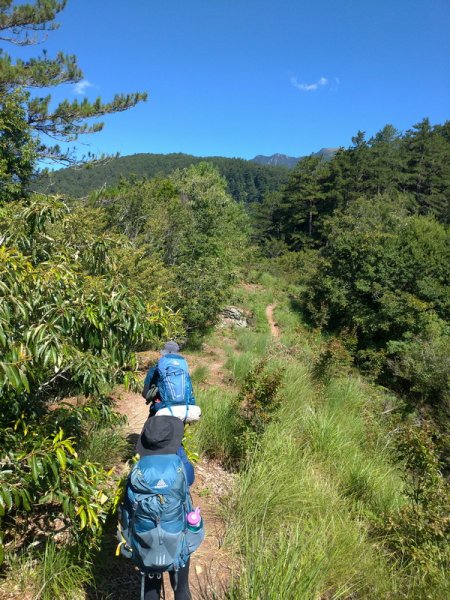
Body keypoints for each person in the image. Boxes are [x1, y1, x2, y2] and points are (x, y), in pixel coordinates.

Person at [136, 415, 196, 600]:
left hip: (146, 541)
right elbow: (190, 479)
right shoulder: (180, 467)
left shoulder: (138, 470)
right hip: (177, 537)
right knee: (181, 590)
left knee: (150, 590)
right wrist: (179, 451)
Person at [142, 341, 196, 417]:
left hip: (161, 410)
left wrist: (155, 395)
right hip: (182, 411)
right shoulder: (183, 370)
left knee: (147, 428)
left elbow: (145, 394)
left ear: (164, 353)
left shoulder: (154, 369)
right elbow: (190, 391)